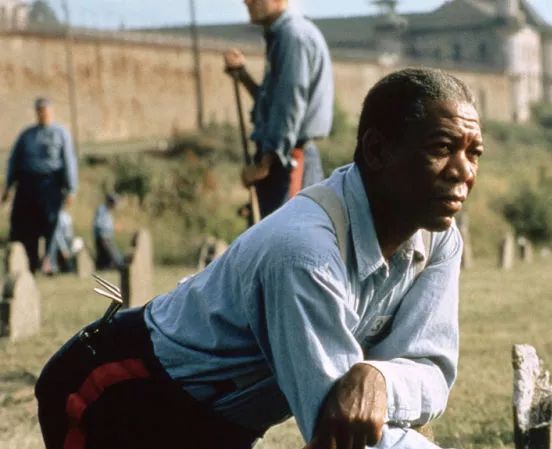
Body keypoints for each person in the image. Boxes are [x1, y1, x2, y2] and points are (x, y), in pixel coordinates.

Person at [35, 68, 482, 449]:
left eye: (473, 152)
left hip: (222, 423)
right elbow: (340, 425)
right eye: (442, 148)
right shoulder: (305, 253)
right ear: (378, 150)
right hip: (117, 394)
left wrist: (380, 379)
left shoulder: (438, 238)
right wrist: (378, 385)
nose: (463, 171)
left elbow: (431, 371)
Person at [224, 0, 333, 219]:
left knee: (286, 235)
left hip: (288, 160)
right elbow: (275, 102)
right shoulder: (283, 35)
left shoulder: (292, 37)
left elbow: (289, 106)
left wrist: (264, 164)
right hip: (283, 158)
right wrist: (242, 75)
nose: (247, 2)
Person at [2, 97, 78, 272]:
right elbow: (14, 160)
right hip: (27, 185)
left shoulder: (61, 133)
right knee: (26, 225)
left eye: (45, 111)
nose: (43, 114)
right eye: (39, 111)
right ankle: (29, 263)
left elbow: (69, 161)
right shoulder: (27, 135)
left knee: (50, 222)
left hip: (50, 184)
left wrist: (71, 189)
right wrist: (8, 186)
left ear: (51, 112)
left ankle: (49, 261)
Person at [93, 193, 124, 270]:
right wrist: (113, 227)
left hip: (106, 237)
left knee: (105, 259)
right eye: (115, 203)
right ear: (111, 202)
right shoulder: (102, 210)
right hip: (103, 238)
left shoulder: (107, 211)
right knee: (115, 257)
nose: (116, 205)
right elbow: (99, 224)